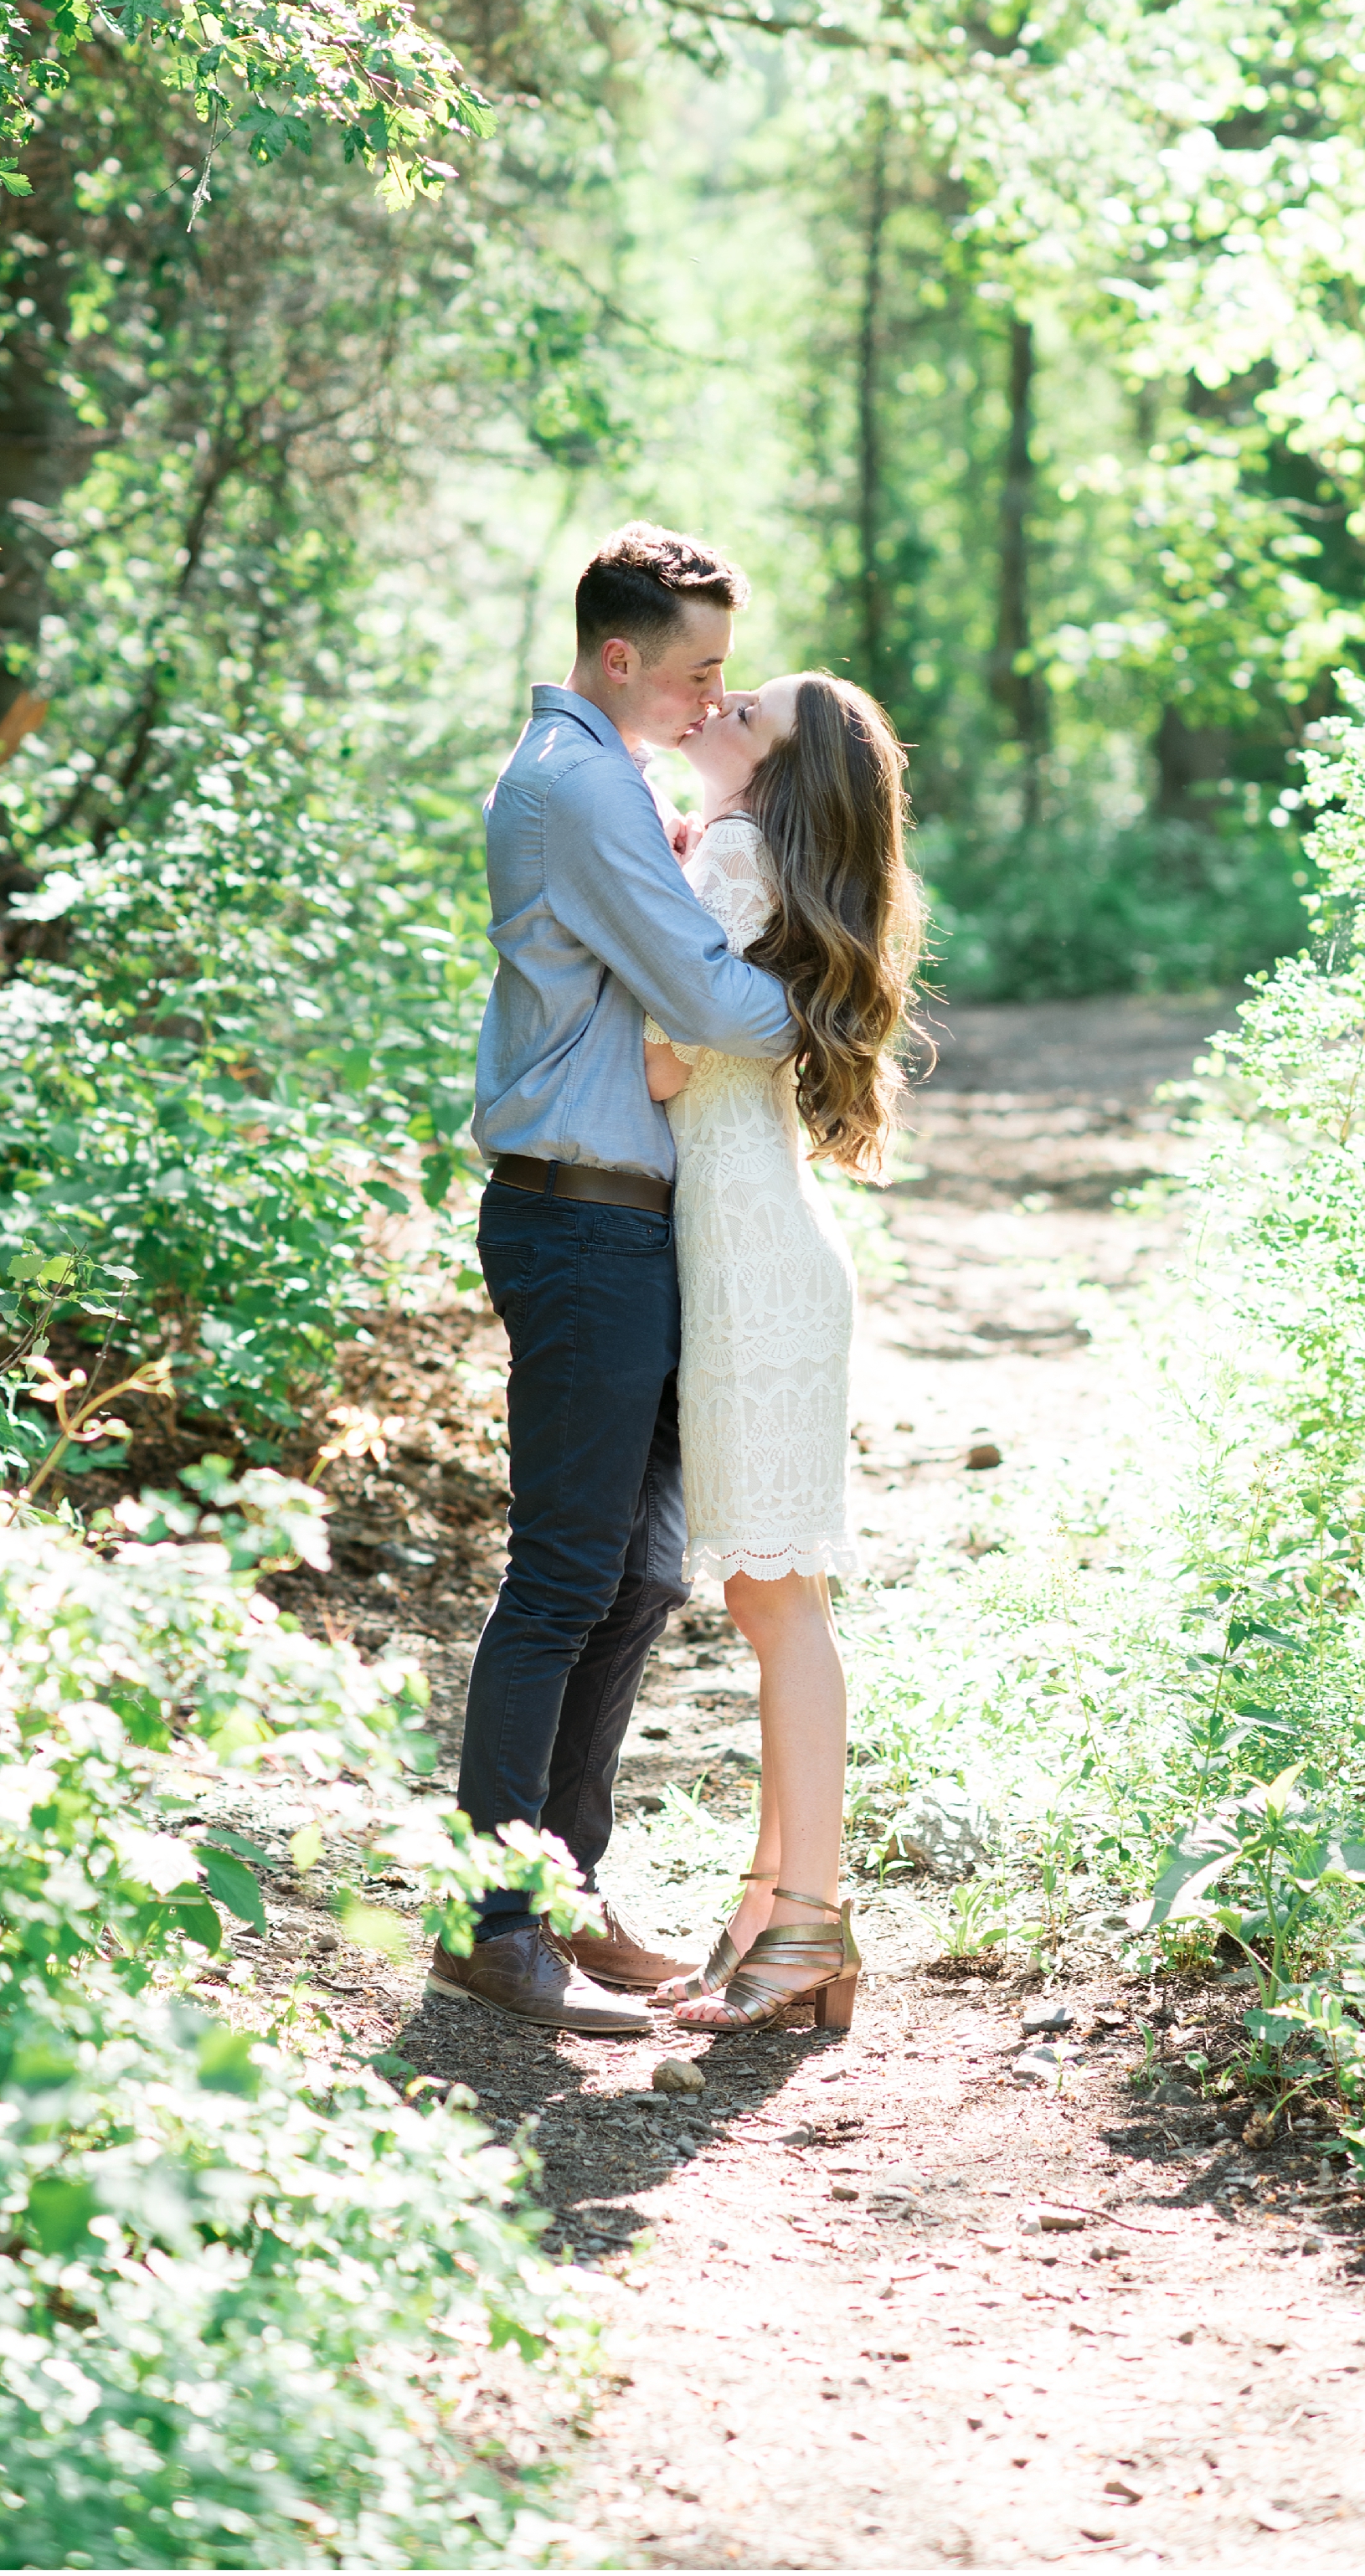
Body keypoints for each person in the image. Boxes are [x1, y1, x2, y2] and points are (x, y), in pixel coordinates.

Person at [428, 524, 799, 2037]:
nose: (716, 696)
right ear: (621, 654)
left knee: (640, 1571)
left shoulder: (615, 775)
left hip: (627, 1217)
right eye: (700, 667)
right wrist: (842, 987)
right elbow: (708, 993)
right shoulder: (579, 784)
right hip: (577, 1221)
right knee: (565, 1574)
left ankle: (561, 1887)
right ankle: (488, 1919)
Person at [645, 671, 922, 2034]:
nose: (715, 708)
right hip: (757, 1245)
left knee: (778, 1602)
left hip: (752, 1258)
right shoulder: (730, 847)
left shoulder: (737, 854)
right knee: (775, 1597)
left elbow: (657, 1063)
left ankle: (805, 1914)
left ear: (772, 777)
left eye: (742, 713)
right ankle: (772, 1902)